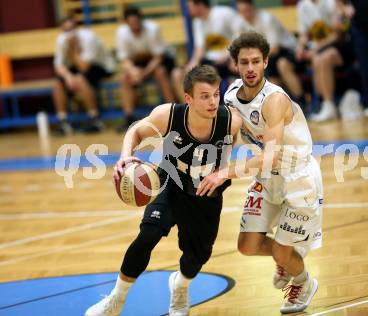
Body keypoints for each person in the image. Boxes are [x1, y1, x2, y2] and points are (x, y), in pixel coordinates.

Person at [85, 65, 241, 316]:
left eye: (215, 94)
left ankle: (180, 285)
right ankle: (116, 298)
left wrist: (220, 173)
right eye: (205, 96)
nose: (213, 102)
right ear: (188, 98)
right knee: (148, 234)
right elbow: (136, 130)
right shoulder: (168, 115)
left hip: (206, 189)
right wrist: (126, 157)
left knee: (197, 257)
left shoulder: (230, 120)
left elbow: (228, 153)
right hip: (170, 178)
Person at [197, 32, 323, 314]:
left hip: (297, 177)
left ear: (266, 62)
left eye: (256, 61)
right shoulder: (230, 96)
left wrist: (225, 174)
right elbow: (229, 136)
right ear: (235, 65)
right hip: (267, 178)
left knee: (280, 251)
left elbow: (270, 156)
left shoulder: (274, 100)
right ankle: (288, 254)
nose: (250, 68)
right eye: (244, 62)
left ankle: (303, 280)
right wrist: (214, 164)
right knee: (247, 245)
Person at [171, 0, 248, 103]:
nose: (187, 10)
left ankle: (217, 109)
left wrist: (231, 55)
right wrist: (192, 64)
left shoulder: (224, 13)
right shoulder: (197, 22)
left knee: (209, 74)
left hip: (230, 59)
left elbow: (241, 35)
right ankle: (188, 110)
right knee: (177, 74)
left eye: (189, 6)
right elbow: (199, 48)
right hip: (210, 61)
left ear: (199, 4)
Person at [116, 7, 177, 132]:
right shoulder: (121, 33)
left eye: (136, 22)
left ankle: (174, 114)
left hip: (158, 60)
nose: (135, 26)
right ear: (126, 23)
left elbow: (158, 58)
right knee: (124, 78)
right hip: (138, 63)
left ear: (141, 20)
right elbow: (124, 60)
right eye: (131, 23)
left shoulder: (153, 29)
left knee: (161, 73)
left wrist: (143, 74)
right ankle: (128, 117)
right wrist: (133, 71)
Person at [236, 0, 307, 106]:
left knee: (281, 64)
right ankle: (278, 106)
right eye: (242, 12)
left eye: (247, 10)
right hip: (267, 56)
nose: (246, 14)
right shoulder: (240, 24)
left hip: (289, 50)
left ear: (253, 8)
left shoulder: (267, 19)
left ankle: (302, 101)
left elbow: (275, 48)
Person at [296, 0, 356, 122]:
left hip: (342, 46)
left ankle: (328, 104)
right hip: (320, 48)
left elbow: (338, 35)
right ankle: (325, 104)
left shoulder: (332, 3)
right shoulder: (302, 6)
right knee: (317, 60)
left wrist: (317, 48)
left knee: (324, 58)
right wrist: (300, 47)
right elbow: (304, 33)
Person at [53, 16, 114, 135]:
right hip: (78, 65)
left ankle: (95, 120)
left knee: (82, 80)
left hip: (101, 66)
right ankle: (63, 122)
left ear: (77, 28)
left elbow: (84, 67)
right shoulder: (61, 40)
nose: (69, 33)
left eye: (71, 29)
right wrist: (68, 77)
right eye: (65, 30)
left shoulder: (89, 38)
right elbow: (58, 65)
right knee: (58, 84)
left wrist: (73, 49)